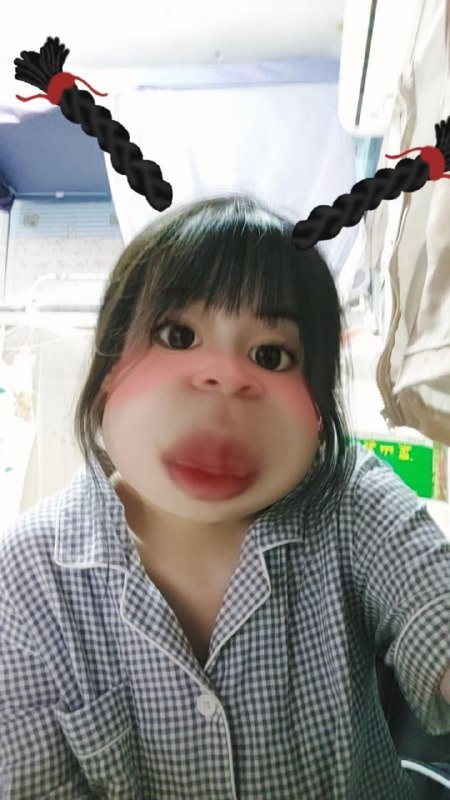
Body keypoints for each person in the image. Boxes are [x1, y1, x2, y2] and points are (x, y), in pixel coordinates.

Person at [1, 185, 450, 800]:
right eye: (177, 336)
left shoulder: (351, 498)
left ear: (318, 410)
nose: (225, 377)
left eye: (271, 354)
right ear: (107, 369)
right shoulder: (26, 577)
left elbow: (435, 614)